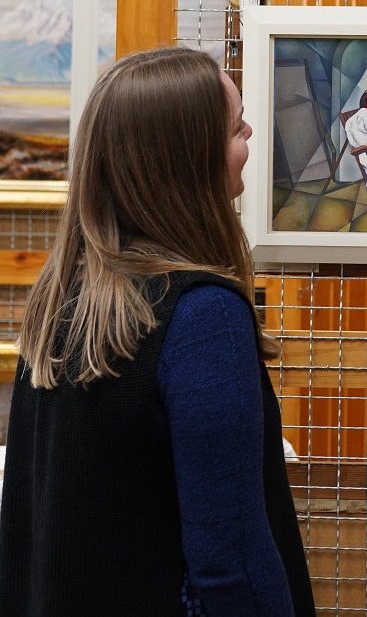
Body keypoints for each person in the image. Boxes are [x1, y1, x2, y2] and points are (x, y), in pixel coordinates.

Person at [0, 46, 316, 616]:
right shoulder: (202, 318)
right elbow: (232, 562)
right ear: (186, 159)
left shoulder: (61, 303)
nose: (250, 137)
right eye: (235, 126)